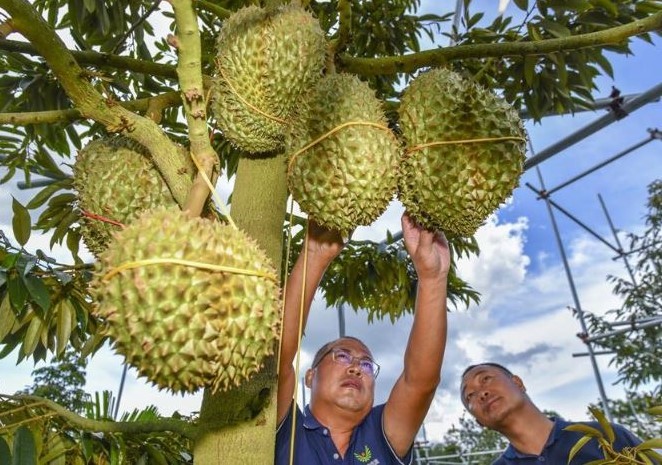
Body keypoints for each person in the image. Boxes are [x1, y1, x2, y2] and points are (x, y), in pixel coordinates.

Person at [276, 213, 451, 464]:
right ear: (310, 375)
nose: (357, 368)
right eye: (343, 355)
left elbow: (421, 381)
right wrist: (314, 254)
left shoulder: (382, 433)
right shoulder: (287, 433)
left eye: (367, 364)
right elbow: (277, 360)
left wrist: (433, 278)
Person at [460, 363, 644, 465]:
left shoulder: (605, 437)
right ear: (479, 422)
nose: (481, 393)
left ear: (518, 383)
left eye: (486, 379)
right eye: (470, 396)